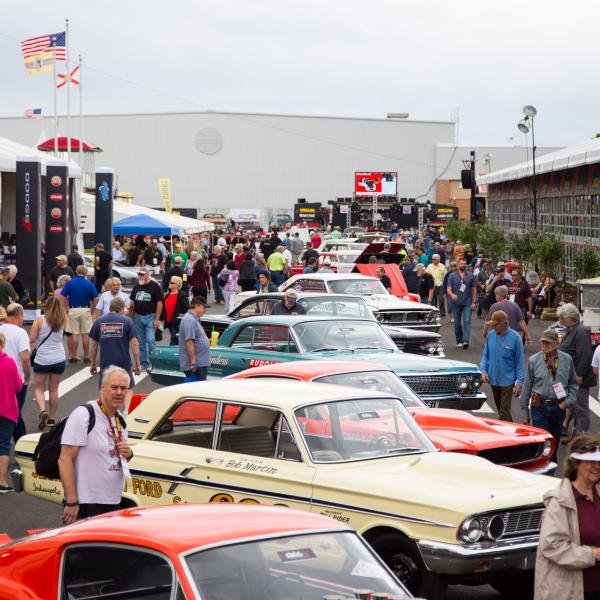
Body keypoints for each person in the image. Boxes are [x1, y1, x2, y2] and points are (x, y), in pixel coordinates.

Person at [59, 366, 134, 523]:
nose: (119, 392)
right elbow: (64, 459)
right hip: (87, 502)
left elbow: (111, 456)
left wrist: (128, 454)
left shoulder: (120, 419)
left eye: (123, 388)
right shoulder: (84, 415)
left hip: (113, 499)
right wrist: (71, 500)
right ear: (102, 387)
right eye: (114, 387)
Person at [534, 434, 600, 600]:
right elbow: (553, 546)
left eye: (599, 462)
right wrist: (594, 555)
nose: (597, 466)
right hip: (570, 592)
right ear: (576, 463)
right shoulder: (559, 501)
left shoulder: (598, 496)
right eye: (590, 461)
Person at [520, 329, 578, 465]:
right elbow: (527, 387)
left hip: (558, 408)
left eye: (548, 343)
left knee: (554, 443)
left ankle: (550, 470)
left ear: (557, 344)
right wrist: (524, 412)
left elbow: (574, 385)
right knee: (543, 442)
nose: (544, 345)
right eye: (543, 342)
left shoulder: (566, 360)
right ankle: (541, 469)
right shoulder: (534, 360)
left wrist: (565, 403)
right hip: (538, 407)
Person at [89, 298, 141, 412]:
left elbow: (94, 345)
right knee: (128, 387)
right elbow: (134, 343)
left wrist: (92, 363)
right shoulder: (127, 321)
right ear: (122, 309)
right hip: (123, 361)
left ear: (110, 308)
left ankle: (106, 412)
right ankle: (127, 411)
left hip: (106, 362)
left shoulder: (99, 321)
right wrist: (138, 364)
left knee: (105, 387)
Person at [30, 296, 67, 429]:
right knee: (53, 389)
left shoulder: (40, 320)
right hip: (59, 358)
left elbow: (32, 339)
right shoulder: (63, 319)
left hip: (43, 359)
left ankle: (42, 411)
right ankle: (51, 418)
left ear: (46, 306)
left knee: (39, 388)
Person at [480, 310, 525, 422]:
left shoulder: (515, 338)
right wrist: (483, 371)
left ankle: (503, 434)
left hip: (508, 381)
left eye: (495, 325)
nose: (493, 328)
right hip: (493, 379)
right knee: (501, 409)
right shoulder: (491, 336)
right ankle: (510, 429)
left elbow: (520, 362)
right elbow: (486, 355)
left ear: (504, 324)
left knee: (504, 410)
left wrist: (520, 382)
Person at [558, 303, 595, 437]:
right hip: (571, 376)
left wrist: (579, 374)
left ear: (570, 317)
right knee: (574, 407)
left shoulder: (580, 330)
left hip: (578, 377)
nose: (561, 320)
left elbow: (585, 354)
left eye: (563, 317)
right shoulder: (573, 329)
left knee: (580, 408)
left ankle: (582, 436)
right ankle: (576, 434)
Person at [0, 304, 30, 442]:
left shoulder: (1, 330)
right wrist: (28, 378)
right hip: (16, 379)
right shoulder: (20, 332)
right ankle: (21, 444)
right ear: (19, 316)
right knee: (15, 414)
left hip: (2, 377)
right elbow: (25, 358)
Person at [0, 332, 23, 493]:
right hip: (6, 410)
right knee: (3, 445)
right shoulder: (9, 362)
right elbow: (18, 387)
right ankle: (1, 481)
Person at [61, 265, 98, 363]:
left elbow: (62, 296)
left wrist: (66, 307)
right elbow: (96, 298)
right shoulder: (89, 284)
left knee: (74, 334)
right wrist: (93, 309)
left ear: (76, 271)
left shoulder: (70, 283)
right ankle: (86, 356)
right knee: (85, 334)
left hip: (73, 310)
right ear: (86, 273)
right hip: (85, 309)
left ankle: (73, 355)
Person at [129, 267, 163, 371]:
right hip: (138, 316)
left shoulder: (155, 286)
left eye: (142, 274)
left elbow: (160, 303)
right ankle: (144, 363)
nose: (140, 276)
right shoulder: (136, 287)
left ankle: (155, 362)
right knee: (141, 342)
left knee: (150, 339)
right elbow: (132, 304)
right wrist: (131, 319)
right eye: (139, 274)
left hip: (151, 316)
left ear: (147, 274)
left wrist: (157, 319)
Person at [446, 257, 477, 349]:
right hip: (456, 302)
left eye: (464, 263)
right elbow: (448, 289)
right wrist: (452, 295)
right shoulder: (452, 276)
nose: (463, 265)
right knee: (457, 323)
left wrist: (474, 302)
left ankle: (465, 341)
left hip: (467, 301)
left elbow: (474, 289)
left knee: (467, 321)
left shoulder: (471, 275)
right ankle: (459, 340)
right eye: (461, 263)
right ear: (458, 264)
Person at [179, 297, 210, 381]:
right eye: (204, 307)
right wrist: (193, 362)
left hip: (200, 363)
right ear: (197, 306)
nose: (204, 311)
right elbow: (189, 342)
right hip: (196, 365)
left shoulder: (194, 319)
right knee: (197, 390)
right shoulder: (189, 320)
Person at [161, 275, 190, 345]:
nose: (169, 283)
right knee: (176, 340)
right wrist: (159, 320)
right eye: (169, 282)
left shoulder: (182, 295)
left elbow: (187, 309)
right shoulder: (167, 295)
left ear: (178, 285)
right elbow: (163, 309)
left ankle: (172, 354)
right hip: (169, 322)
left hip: (178, 322)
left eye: (172, 282)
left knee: (174, 340)